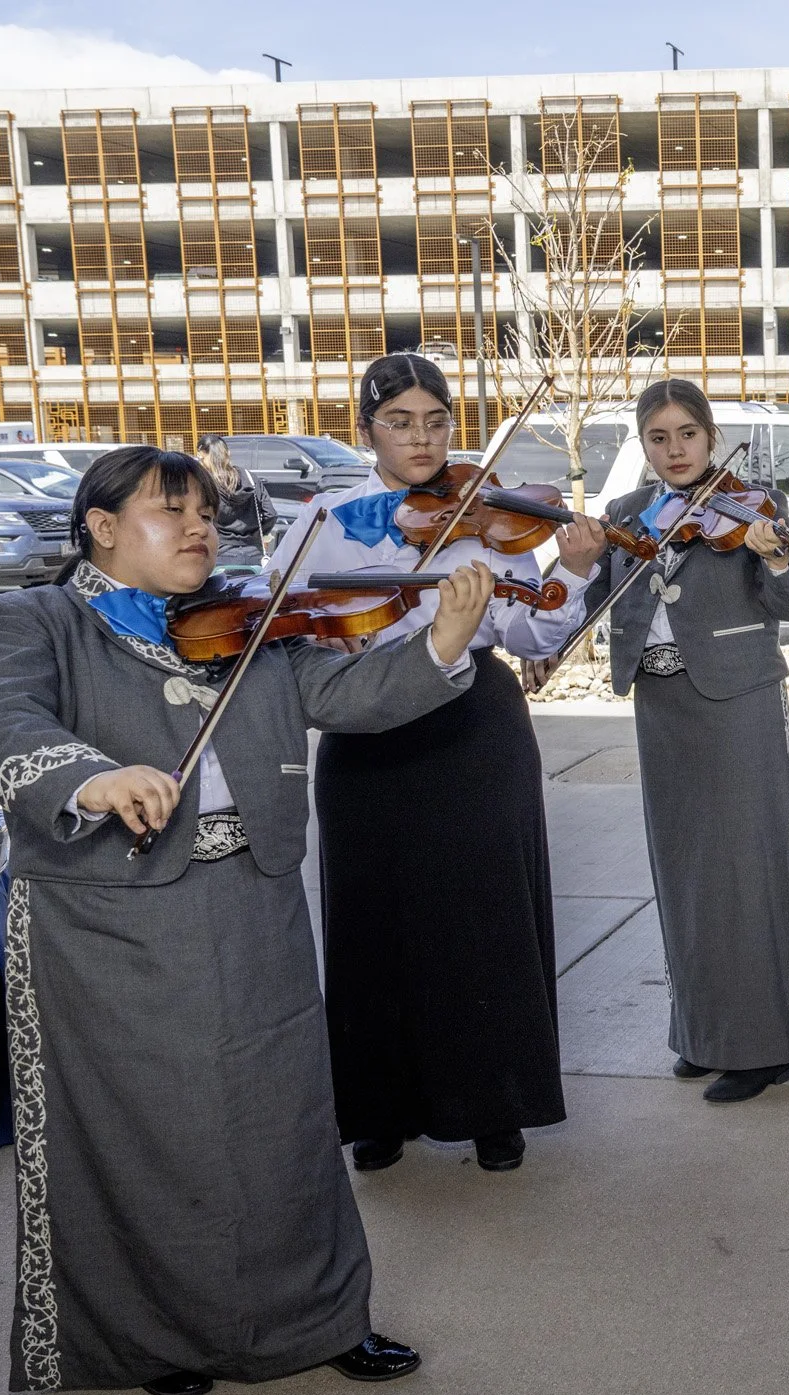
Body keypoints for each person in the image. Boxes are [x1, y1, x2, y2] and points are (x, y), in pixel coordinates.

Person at [0, 445, 493, 1395]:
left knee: (282, 1121)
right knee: (152, 1134)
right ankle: (158, 1334)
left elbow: (348, 695)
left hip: (253, 898)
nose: (199, 526)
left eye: (205, 510)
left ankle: (319, 1318)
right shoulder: (28, 618)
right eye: (170, 511)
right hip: (111, 923)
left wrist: (442, 640)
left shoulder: (250, 624)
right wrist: (93, 776)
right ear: (103, 526)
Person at [265, 353, 612, 1174]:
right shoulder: (323, 517)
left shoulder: (485, 511)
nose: (420, 438)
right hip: (366, 728)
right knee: (371, 918)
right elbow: (288, 622)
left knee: (483, 917)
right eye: (400, 422)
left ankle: (495, 1103)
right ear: (366, 432)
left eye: (434, 421)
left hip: (472, 730)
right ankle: (380, 1111)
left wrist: (572, 568)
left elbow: (532, 633)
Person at [583, 379, 789, 1103]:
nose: (675, 450)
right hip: (661, 703)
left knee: (744, 870)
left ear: (710, 433)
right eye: (658, 437)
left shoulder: (757, 506)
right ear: (644, 444)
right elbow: (605, 601)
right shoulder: (629, 513)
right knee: (684, 872)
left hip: (735, 701)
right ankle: (704, 1032)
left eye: (687, 434)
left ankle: (764, 1048)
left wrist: (780, 559)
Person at [200, 434, 280, 569]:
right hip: (254, 555)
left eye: (201, 458)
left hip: (220, 555)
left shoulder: (205, 484)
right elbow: (270, 513)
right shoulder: (250, 478)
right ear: (228, 454)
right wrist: (257, 535)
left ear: (205, 456)